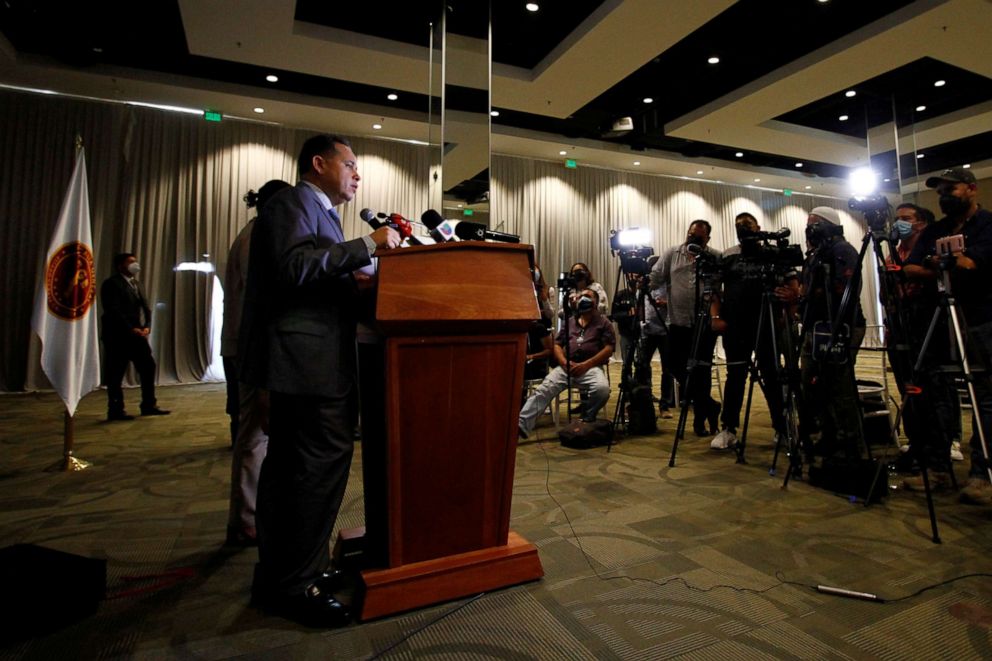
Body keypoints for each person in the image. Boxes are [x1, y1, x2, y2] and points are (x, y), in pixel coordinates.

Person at [238, 134, 400, 627]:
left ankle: (288, 571)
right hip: (306, 366)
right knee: (308, 473)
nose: (357, 174)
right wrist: (365, 248)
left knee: (299, 471)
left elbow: (315, 277)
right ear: (318, 163)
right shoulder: (291, 202)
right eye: (350, 164)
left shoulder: (321, 212)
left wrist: (361, 280)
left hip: (314, 364)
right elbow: (292, 269)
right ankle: (293, 584)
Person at [904, 168, 992, 503]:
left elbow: (971, 264)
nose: (944, 196)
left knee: (985, 396)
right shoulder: (937, 229)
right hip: (939, 317)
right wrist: (943, 264)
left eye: (950, 189)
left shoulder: (987, 225)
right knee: (936, 393)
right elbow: (911, 266)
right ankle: (938, 468)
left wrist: (948, 262)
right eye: (940, 190)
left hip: (980, 318)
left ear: (970, 189)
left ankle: (983, 474)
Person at [220, 179, 291, 546]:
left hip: (246, 346)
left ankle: (250, 515)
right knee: (253, 433)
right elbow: (263, 300)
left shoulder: (254, 231)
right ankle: (246, 519)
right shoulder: (258, 237)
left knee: (254, 431)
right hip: (253, 348)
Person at [776, 206, 865, 463]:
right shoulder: (815, 255)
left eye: (815, 224)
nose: (810, 229)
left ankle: (851, 444)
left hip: (840, 326)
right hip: (816, 327)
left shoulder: (842, 251)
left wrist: (803, 296)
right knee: (814, 385)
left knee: (839, 385)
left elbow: (846, 289)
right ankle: (828, 436)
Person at [708, 213, 799, 450]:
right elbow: (714, 289)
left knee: (772, 375)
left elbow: (793, 283)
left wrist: (790, 306)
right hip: (735, 325)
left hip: (767, 323)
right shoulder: (728, 255)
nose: (743, 230)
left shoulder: (772, 253)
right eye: (739, 226)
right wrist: (715, 316)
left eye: (747, 226)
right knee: (735, 376)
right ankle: (729, 428)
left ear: (758, 228)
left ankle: (781, 427)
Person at [650, 220, 721, 436]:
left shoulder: (714, 257)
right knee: (673, 365)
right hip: (678, 323)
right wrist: (643, 280)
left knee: (702, 371)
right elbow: (656, 276)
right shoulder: (672, 253)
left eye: (698, 237)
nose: (692, 239)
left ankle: (700, 421)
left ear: (707, 239)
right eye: (690, 234)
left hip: (704, 325)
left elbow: (718, 287)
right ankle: (710, 405)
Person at [518, 288, 615, 437]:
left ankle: (586, 418)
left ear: (596, 302)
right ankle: (522, 425)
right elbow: (556, 344)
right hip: (565, 367)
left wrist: (587, 364)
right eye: (581, 296)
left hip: (591, 368)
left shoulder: (604, 323)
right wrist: (564, 362)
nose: (583, 299)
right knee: (543, 390)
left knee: (602, 390)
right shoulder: (570, 322)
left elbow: (609, 348)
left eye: (588, 296)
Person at [100, 253, 169, 421]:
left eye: (135, 261)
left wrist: (147, 326)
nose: (135, 264)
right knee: (116, 373)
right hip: (118, 336)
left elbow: (146, 308)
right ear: (120, 266)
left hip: (137, 335)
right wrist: (131, 329)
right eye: (130, 262)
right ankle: (115, 409)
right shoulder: (112, 284)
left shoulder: (137, 284)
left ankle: (148, 404)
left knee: (148, 367)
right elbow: (113, 310)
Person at [634, 257, 675, 418]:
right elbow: (641, 306)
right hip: (648, 330)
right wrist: (641, 323)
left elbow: (676, 304)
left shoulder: (670, 285)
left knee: (668, 369)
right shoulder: (644, 287)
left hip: (666, 330)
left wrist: (665, 304)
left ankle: (665, 404)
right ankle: (645, 399)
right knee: (642, 366)